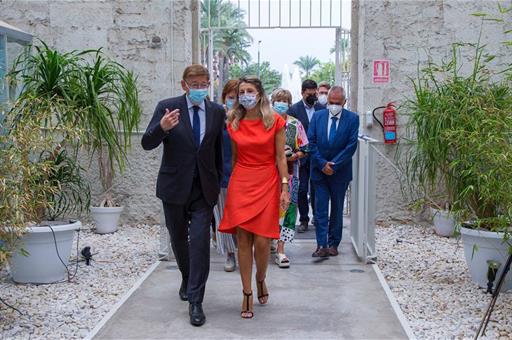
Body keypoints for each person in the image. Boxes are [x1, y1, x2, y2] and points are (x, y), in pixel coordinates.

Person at [141, 64, 224, 327]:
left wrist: (218, 183)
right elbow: (147, 143)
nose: (200, 88)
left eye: (204, 84)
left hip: (203, 190)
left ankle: (196, 301)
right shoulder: (168, 107)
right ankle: (187, 277)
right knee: (178, 238)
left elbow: (217, 150)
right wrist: (162, 128)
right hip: (174, 187)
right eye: (195, 84)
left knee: (199, 242)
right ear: (184, 85)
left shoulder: (217, 111)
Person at [219, 76, 289, 319]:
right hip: (241, 181)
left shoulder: (275, 121)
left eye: (249, 91)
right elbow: (235, 157)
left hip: (268, 180)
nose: (245, 95)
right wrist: (233, 185)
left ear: (259, 94)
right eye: (241, 92)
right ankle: (246, 291)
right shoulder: (233, 121)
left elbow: (281, 158)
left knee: (262, 241)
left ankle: (261, 278)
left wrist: (285, 187)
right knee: (242, 239)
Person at [307, 86, 359, 257]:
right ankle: (321, 244)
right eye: (331, 102)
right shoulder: (318, 116)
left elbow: (351, 146)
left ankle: (333, 244)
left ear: (344, 102)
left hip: (340, 173)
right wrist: (323, 164)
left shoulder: (352, 119)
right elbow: (311, 142)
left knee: (337, 209)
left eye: (337, 103)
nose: (334, 106)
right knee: (320, 209)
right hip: (319, 171)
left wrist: (334, 165)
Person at [270, 88, 309, 268]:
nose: (281, 103)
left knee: (288, 208)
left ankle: (281, 248)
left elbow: (306, 148)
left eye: (285, 100)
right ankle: (269, 239)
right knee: (269, 209)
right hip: (268, 175)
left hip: (291, 174)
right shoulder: (265, 122)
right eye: (278, 100)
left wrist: (294, 156)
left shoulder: (295, 124)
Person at [289, 79, 325, 233]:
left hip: (317, 155)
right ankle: (303, 219)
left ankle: (317, 217)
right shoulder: (294, 110)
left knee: (317, 188)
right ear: (302, 92)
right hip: (301, 156)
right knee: (302, 189)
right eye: (309, 94)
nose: (313, 96)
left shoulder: (322, 109)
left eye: (314, 93)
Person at [212, 79, 239, 272]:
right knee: (224, 217)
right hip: (222, 175)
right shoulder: (217, 117)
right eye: (231, 97)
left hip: (245, 176)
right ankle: (230, 254)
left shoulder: (251, 118)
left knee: (242, 218)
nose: (235, 101)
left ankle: (245, 250)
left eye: (238, 97)